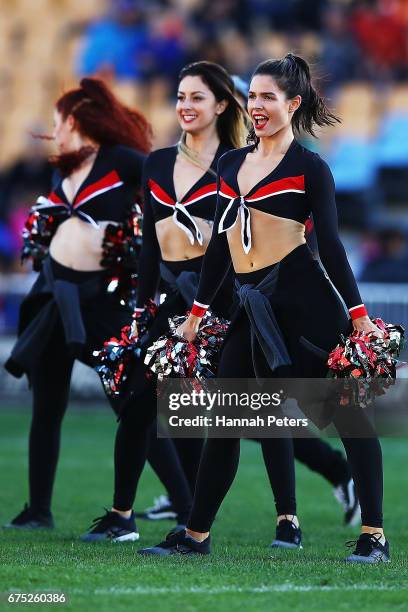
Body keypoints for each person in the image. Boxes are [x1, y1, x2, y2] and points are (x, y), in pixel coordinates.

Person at [139, 54, 388, 563]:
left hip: (307, 304)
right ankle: (195, 537)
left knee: (347, 417)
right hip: (250, 310)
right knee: (224, 422)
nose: (256, 105)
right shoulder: (229, 164)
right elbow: (218, 250)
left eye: (268, 97)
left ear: (293, 105)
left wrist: (358, 314)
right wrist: (197, 313)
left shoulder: (310, 168)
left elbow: (333, 248)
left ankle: (374, 536)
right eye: (252, 96)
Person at [4, 78, 152, 543]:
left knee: (128, 400)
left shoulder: (123, 161)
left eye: (57, 123)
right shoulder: (62, 173)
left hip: (102, 300)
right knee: (46, 406)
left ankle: (184, 504)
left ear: (77, 121)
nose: (54, 131)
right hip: (55, 297)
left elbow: (162, 198)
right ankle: (38, 509)